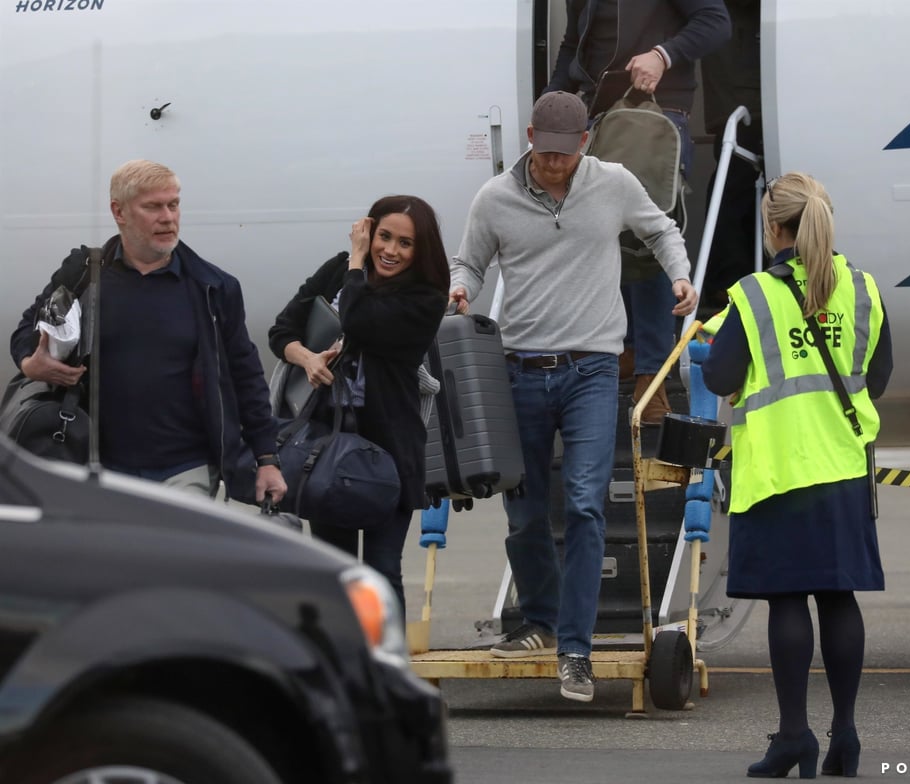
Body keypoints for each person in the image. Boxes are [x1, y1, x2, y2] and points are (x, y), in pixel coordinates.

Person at [449, 91, 698, 703]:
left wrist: (681, 274)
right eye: (544, 151)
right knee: (526, 511)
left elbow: (661, 229)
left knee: (586, 503)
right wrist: (460, 292)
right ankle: (538, 620)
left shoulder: (612, 183)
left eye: (566, 153)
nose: (554, 163)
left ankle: (576, 649)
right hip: (520, 370)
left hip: (592, 368)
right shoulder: (495, 198)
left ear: (584, 141)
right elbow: (471, 263)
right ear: (530, 136)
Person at [702, 173, 894, 778]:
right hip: (842, 466)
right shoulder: (862, 289)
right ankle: (847, 735)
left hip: (779, 470)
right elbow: (878, 375)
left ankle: (794, 737)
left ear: (772, 227)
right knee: (838, 597)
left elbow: (717, 375)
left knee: (788, 600)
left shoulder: (756, 294)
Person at [10, 159, 286, 503]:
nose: (168, 217)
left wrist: (267, 458)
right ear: (119, 212)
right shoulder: (83, 276)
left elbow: (246, 375)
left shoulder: (212, 287)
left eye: (173, 204)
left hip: (187, 467)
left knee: (178, 558)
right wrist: (29, 363)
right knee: (110, 558)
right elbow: (26, 330)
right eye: (153, 206)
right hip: (100, 465)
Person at [545, 0, 731, 424]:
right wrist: (551, 104)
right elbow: (575, 44)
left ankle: (652, 373)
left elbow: (716, 22)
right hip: (602, 113)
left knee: (645, 237)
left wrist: (663, 54)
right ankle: (626, 350)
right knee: (602, 233)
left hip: (655, 112)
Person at [268, 195, 449, 614]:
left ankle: (386, 673)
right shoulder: (337, 270)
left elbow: (359, 319)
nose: (390, 250)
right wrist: (307, 357)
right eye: (384, 237)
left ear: (420, 251)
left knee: (382, 572)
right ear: (370, 231)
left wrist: (356, 262)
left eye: (405, 244)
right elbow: (282, 330)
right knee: (337, 572)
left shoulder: (426, 298)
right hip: (328, 448)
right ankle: (344, 672)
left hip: (389, 451)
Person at [700, 0, 763, 310]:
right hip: (741, 90)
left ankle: (732, 281)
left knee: (737, 190)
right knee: (733, 189)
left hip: (744, 86)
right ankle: (730, 283)